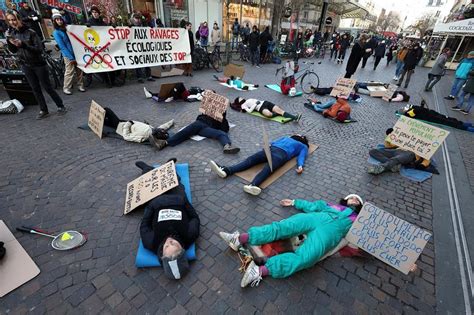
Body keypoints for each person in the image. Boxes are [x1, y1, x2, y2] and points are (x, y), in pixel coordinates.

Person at [218, 194, 364, 287]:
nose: (355, 200)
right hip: (315, 218)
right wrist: (295, 202)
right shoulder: (332, 206)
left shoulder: (357, 221)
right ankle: (240, 238)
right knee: (282, 227)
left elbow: (363, 239)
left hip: (329, 234)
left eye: (358, 200)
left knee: (307, 258)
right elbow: (314, 206)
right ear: (346, 199)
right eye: (353, 197)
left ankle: (260, 270)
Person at [138, 160, 200, 280]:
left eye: (167, 246)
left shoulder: (151, 243)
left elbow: (144, 225)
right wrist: (184, 202)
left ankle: (147, 168)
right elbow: (194, 218)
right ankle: (168, 166)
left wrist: (152, 206)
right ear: (182, 248)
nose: (169, 241)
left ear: (162, 254)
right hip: (177, 199)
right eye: (174, 244)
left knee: (149, 183)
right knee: (174, 179)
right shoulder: (190, 235)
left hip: (157, 202)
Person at [5, 10, 66, 120]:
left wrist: (24, 45)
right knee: (35, 88)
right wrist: (9, 41)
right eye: (9, 20)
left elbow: (39, 49)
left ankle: (60, 105)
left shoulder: (30, 32)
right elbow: (13, 51)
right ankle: (43, 110)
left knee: (47, 87)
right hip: (25, 64)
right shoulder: (12, 33)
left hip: (38, 64)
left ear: (18, 19)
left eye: (14, 19)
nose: (12, 22)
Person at [209, 135, 309, 196]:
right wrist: (300, 166)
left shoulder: (300, 144)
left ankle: (227, 171)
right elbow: (301, 157)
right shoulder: (293, 141)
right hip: (279, 153)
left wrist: (300, 166)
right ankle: (250, 184)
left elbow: (301, 156)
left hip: (274, 150)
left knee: (251, 162)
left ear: (301, 138)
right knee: (263, 167)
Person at [147, 110, 241, 153]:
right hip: (200, 124)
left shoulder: (222, 119)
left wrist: (223, 117)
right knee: (186, 132)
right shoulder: (206, 113)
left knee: (221, 134)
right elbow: (199, 118)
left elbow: (225, 129)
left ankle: (227, 146)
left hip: (206, 128)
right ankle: (164, 141)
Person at [368, 128, 435, 175]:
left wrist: (422, 165)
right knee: (373, 151)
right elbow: (388, 146)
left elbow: (427, 158)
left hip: (410, 154)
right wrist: (389, 135)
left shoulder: (423, 144)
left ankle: (382, 167)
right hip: (397, 150)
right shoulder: (406, 137)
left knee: (397, 158)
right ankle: (393, 164)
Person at [52, 9, 85, 95]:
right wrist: (70, 57)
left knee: (79, 69)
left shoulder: (67, 28)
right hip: (67, 54)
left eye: (60, 19)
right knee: (69, 71)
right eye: (57, 20)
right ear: (54, 21)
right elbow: (62, 46)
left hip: (76, 51)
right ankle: (66, 87)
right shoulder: (56, 32)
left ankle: (80, 85)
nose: (59, 21)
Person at [102, 107, 174, 143]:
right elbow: (163, 126)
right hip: (126, 123)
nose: (160, 129)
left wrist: (128, 124)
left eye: (161, 131)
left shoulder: (142, 137)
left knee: (107, 110)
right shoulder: (152, 130)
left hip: (120, 126)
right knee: (106, 120)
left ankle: (100, 120)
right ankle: (100, 121)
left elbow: (126, 136)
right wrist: (171, 122)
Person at [398, 101, 474, 132]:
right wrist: (418, 107)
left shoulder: (411, 109)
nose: (404, 108)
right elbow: (418, 111)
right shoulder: (409, 113)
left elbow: (420, 109)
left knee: (448, 118)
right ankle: (467, 127)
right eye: (403, 109)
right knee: (448, 122)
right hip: (431, 117)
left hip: (431, 114)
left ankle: (464, 124)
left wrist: (421, 105)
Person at [88, 6, 116, 88]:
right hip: (96, 47)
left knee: (110, 64)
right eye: (93, 12)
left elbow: (108, 30)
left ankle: (112, 80)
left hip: (105, 46)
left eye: (96, 12)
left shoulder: (102, 22)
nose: (95, 14)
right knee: (102, 66)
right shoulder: (89, 22)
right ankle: (107, 82)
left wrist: (112, 28)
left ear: (98, 13)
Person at [130, 13, 154, 83]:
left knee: (147, 61)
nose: (138, 20)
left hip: (144, 46)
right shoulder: (131, 27)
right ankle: (139, 77)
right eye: (136, 18)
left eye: (139, 18)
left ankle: (149, 76)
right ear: (133, 19)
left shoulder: (144, 26)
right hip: (136, 47)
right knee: (138, 62)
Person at [232, 97, 301, 122]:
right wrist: (255, 104)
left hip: (265, 102)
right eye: (239, 98)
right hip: (260, 108)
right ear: (238, 101)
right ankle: (278, 113)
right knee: (269, 114)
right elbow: (250, 111)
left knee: (281, 111)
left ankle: (295, 118)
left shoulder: (248, 99)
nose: (241, 97)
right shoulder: (243, 105)